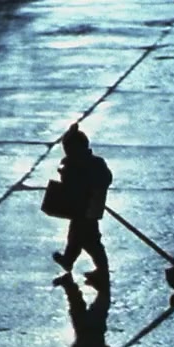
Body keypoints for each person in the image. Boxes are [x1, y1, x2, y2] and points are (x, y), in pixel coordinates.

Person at [51, 123, 113, 287]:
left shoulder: (80, 165)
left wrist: (67, 172)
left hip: (86, 209)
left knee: (91, 242)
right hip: (85, 209)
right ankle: (69, 260)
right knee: (76, 237)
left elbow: (73, 184)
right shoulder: (94, 162)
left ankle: (102, 271)